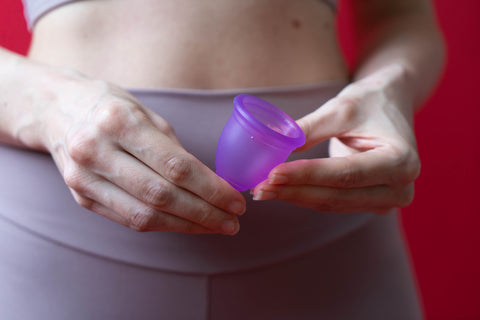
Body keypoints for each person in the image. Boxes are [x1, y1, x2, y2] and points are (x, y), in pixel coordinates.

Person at [0, 0, 444, 319]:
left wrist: (391, 88)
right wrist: (49, 106)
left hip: (335, 243)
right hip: (62, 238)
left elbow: (404, 20)